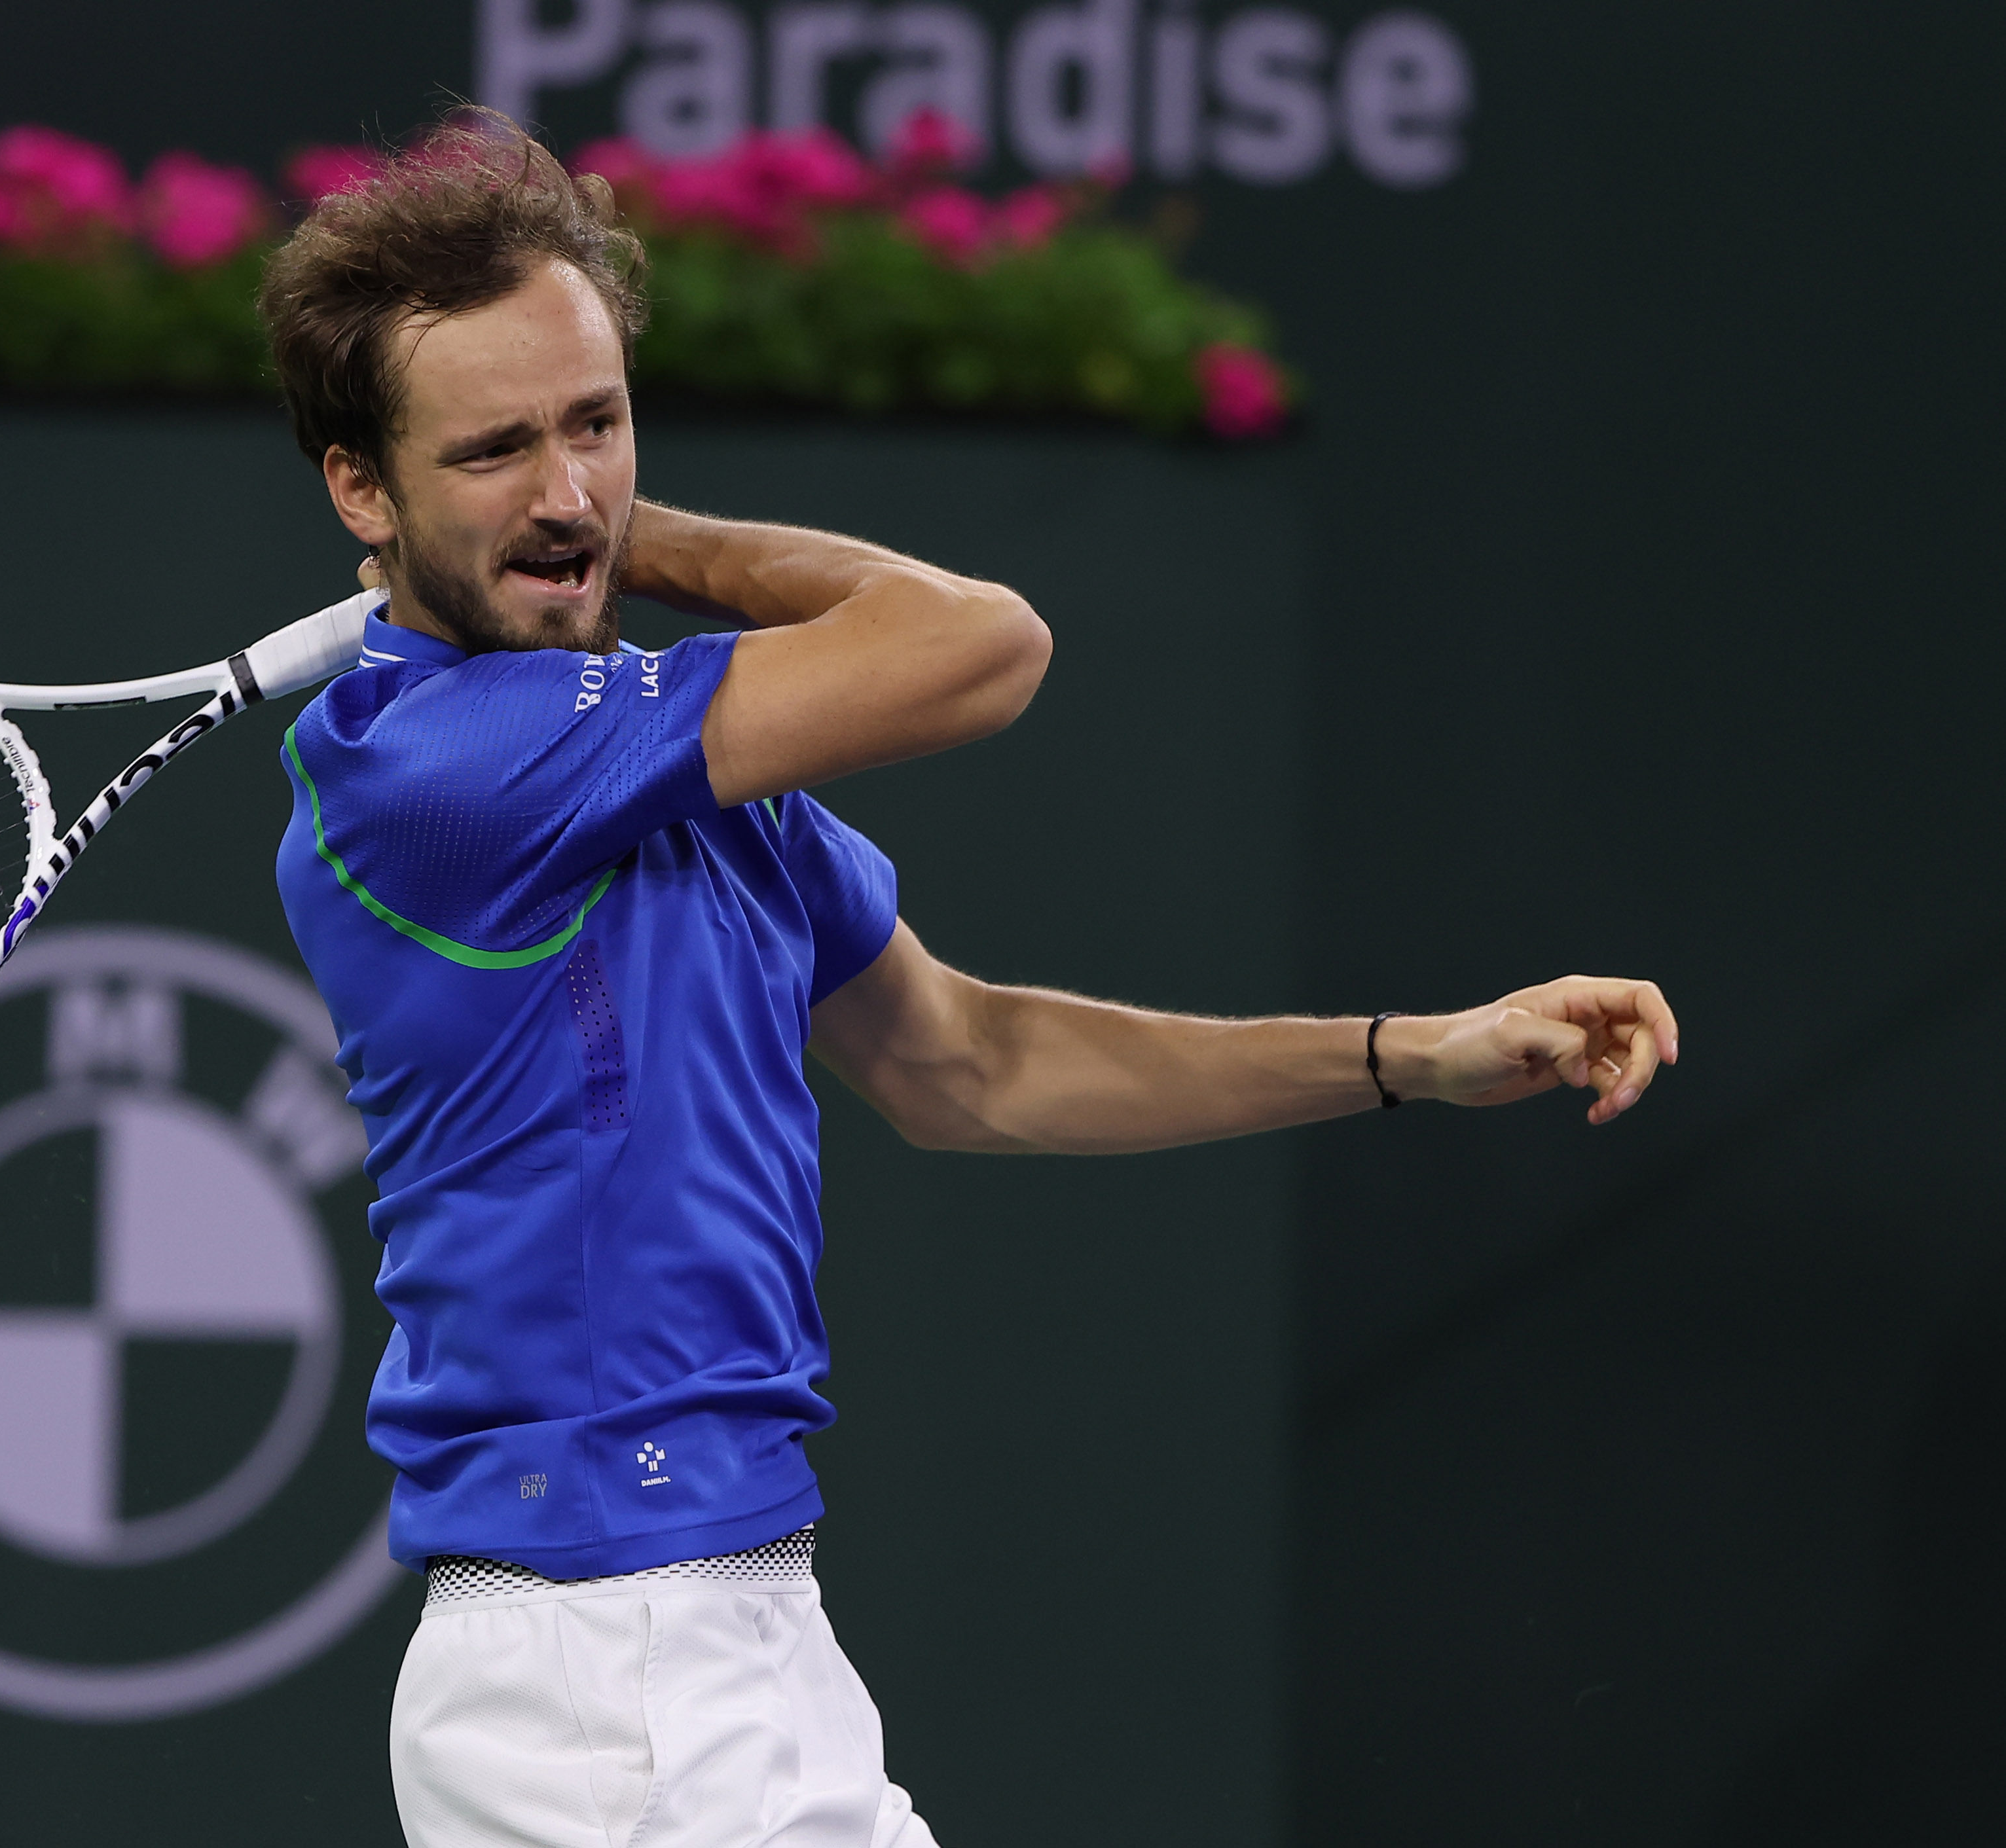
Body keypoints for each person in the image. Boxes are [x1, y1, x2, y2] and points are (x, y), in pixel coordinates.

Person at [257, 119, 1677, 1848]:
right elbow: (979, 643)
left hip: (714, 1638)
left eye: (598, 424)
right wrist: (655, 541)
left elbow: (965, 1064)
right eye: (494, 449)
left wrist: (1407, 1055)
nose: (566, 493)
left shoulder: (651, 764)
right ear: (361, 489)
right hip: (615, 1668)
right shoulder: (440, 768)